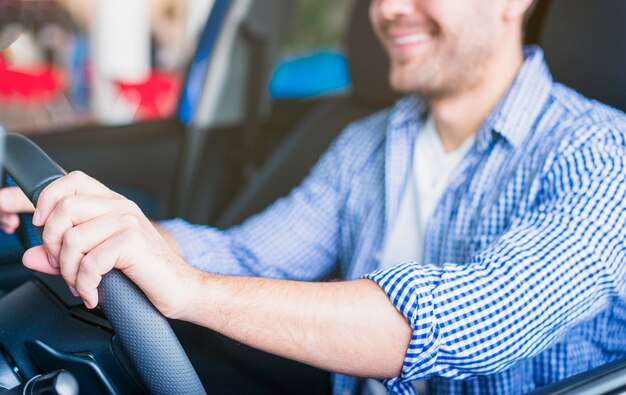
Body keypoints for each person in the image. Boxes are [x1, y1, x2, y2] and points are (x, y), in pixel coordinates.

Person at [1, 0, 626, 393]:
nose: (388, 10)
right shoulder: (368, 142)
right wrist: (115, 228)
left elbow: (472, 317)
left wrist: (192, 291)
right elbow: (251, 255)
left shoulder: (600, 154)